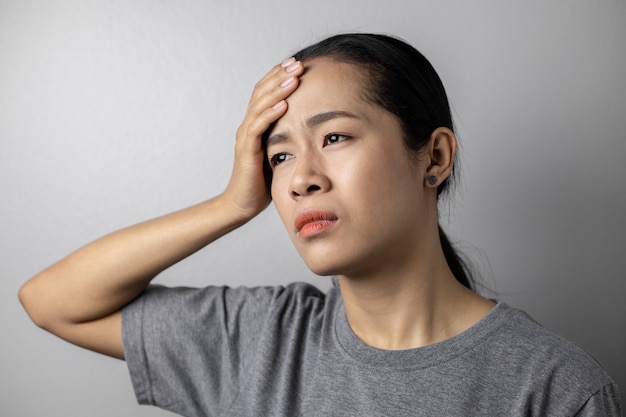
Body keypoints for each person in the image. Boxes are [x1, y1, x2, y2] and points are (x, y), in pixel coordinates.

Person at [19, 33, 621, 416]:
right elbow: (52, 301)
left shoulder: (554, 388)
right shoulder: (255, 341)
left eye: (334, 137)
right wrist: (232, 203)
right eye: (279, 155)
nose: (301, 177)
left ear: (434, 158)